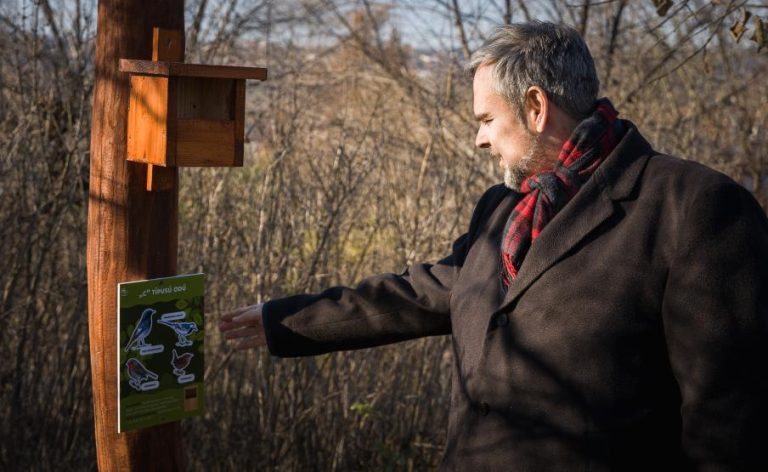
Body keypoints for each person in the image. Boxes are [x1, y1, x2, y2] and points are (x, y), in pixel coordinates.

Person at [220, 21, 768, 470]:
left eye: (486, 119)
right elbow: (418, 295)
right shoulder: (504, 212)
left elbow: (729, 423)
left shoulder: (693, 208)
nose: (479, 137)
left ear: (535, 107)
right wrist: (283, 320)